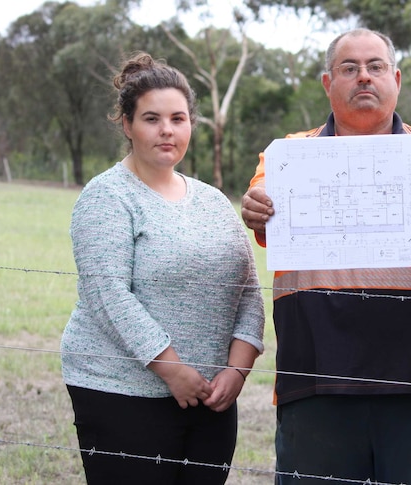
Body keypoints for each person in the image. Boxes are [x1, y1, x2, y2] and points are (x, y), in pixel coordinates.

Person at [241, 28, 411, 484]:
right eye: (349, 68)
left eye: (375, 67)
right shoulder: (286, 157)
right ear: (327, 83)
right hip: (317, 384)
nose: (364, 78)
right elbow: (263, 211)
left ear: (396, 78)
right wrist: (255, 208)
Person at [60, 51, 265, 485]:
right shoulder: (108, 197)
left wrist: (237, 370)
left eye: (178, 118)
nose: (167, 130)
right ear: (127, 125)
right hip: (120, 392)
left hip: (210, 397)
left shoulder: (213, 202)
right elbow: (108, 294)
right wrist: (172, 369)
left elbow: (247, 290)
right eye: (152, 119)